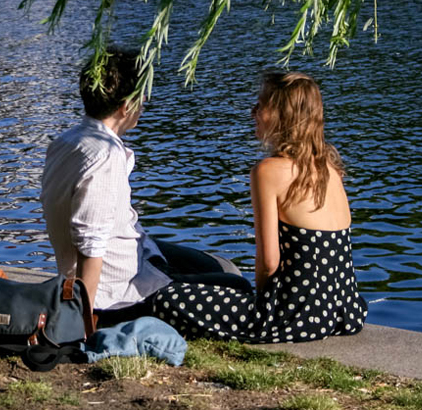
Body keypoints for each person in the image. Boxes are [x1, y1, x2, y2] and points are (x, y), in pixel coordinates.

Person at [41, 47, 251, 326]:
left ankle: (174, 278)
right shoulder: (105, 157)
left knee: (222, 267)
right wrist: (80, 323)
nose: (144, 104)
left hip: (139, 256)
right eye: (142, 98)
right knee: (237, 289)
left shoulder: (66, 142)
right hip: (122, 295)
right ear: (126, 107)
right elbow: (90, 245)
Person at [153, 72, 367, 343]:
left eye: (260, 105)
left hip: (292, 315)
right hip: (341, 311)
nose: (253, 111)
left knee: (166, 298)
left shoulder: (268, 171)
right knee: (230, 283)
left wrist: (262, 306)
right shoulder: (330, 168)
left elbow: (269, 261)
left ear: (281, 116)